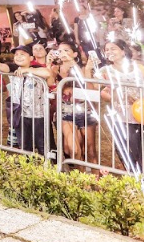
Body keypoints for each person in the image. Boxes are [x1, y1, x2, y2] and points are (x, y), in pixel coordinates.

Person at [94, 39, 143, 174]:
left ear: (123, 51)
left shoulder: (138, 67)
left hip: (141, 116)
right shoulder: (105, 71)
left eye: (113, 48)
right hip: (122, 119)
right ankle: (136, 182)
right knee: (128, 153)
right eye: (107, 50)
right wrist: (119, 97)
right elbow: (98, 89)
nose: (109, 52)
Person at [56, 42, 98, 172]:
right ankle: (82, 179)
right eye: (60, 51)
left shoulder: (82, 68)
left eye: (66, 50)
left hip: (84, 111)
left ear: (75, 54)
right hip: (66, 113)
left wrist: (73, 64)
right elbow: (51, 84)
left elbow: (89, 88)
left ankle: (97, 183)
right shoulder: (54, 69)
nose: (62, 53)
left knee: (90, 151)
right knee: (74, 149)